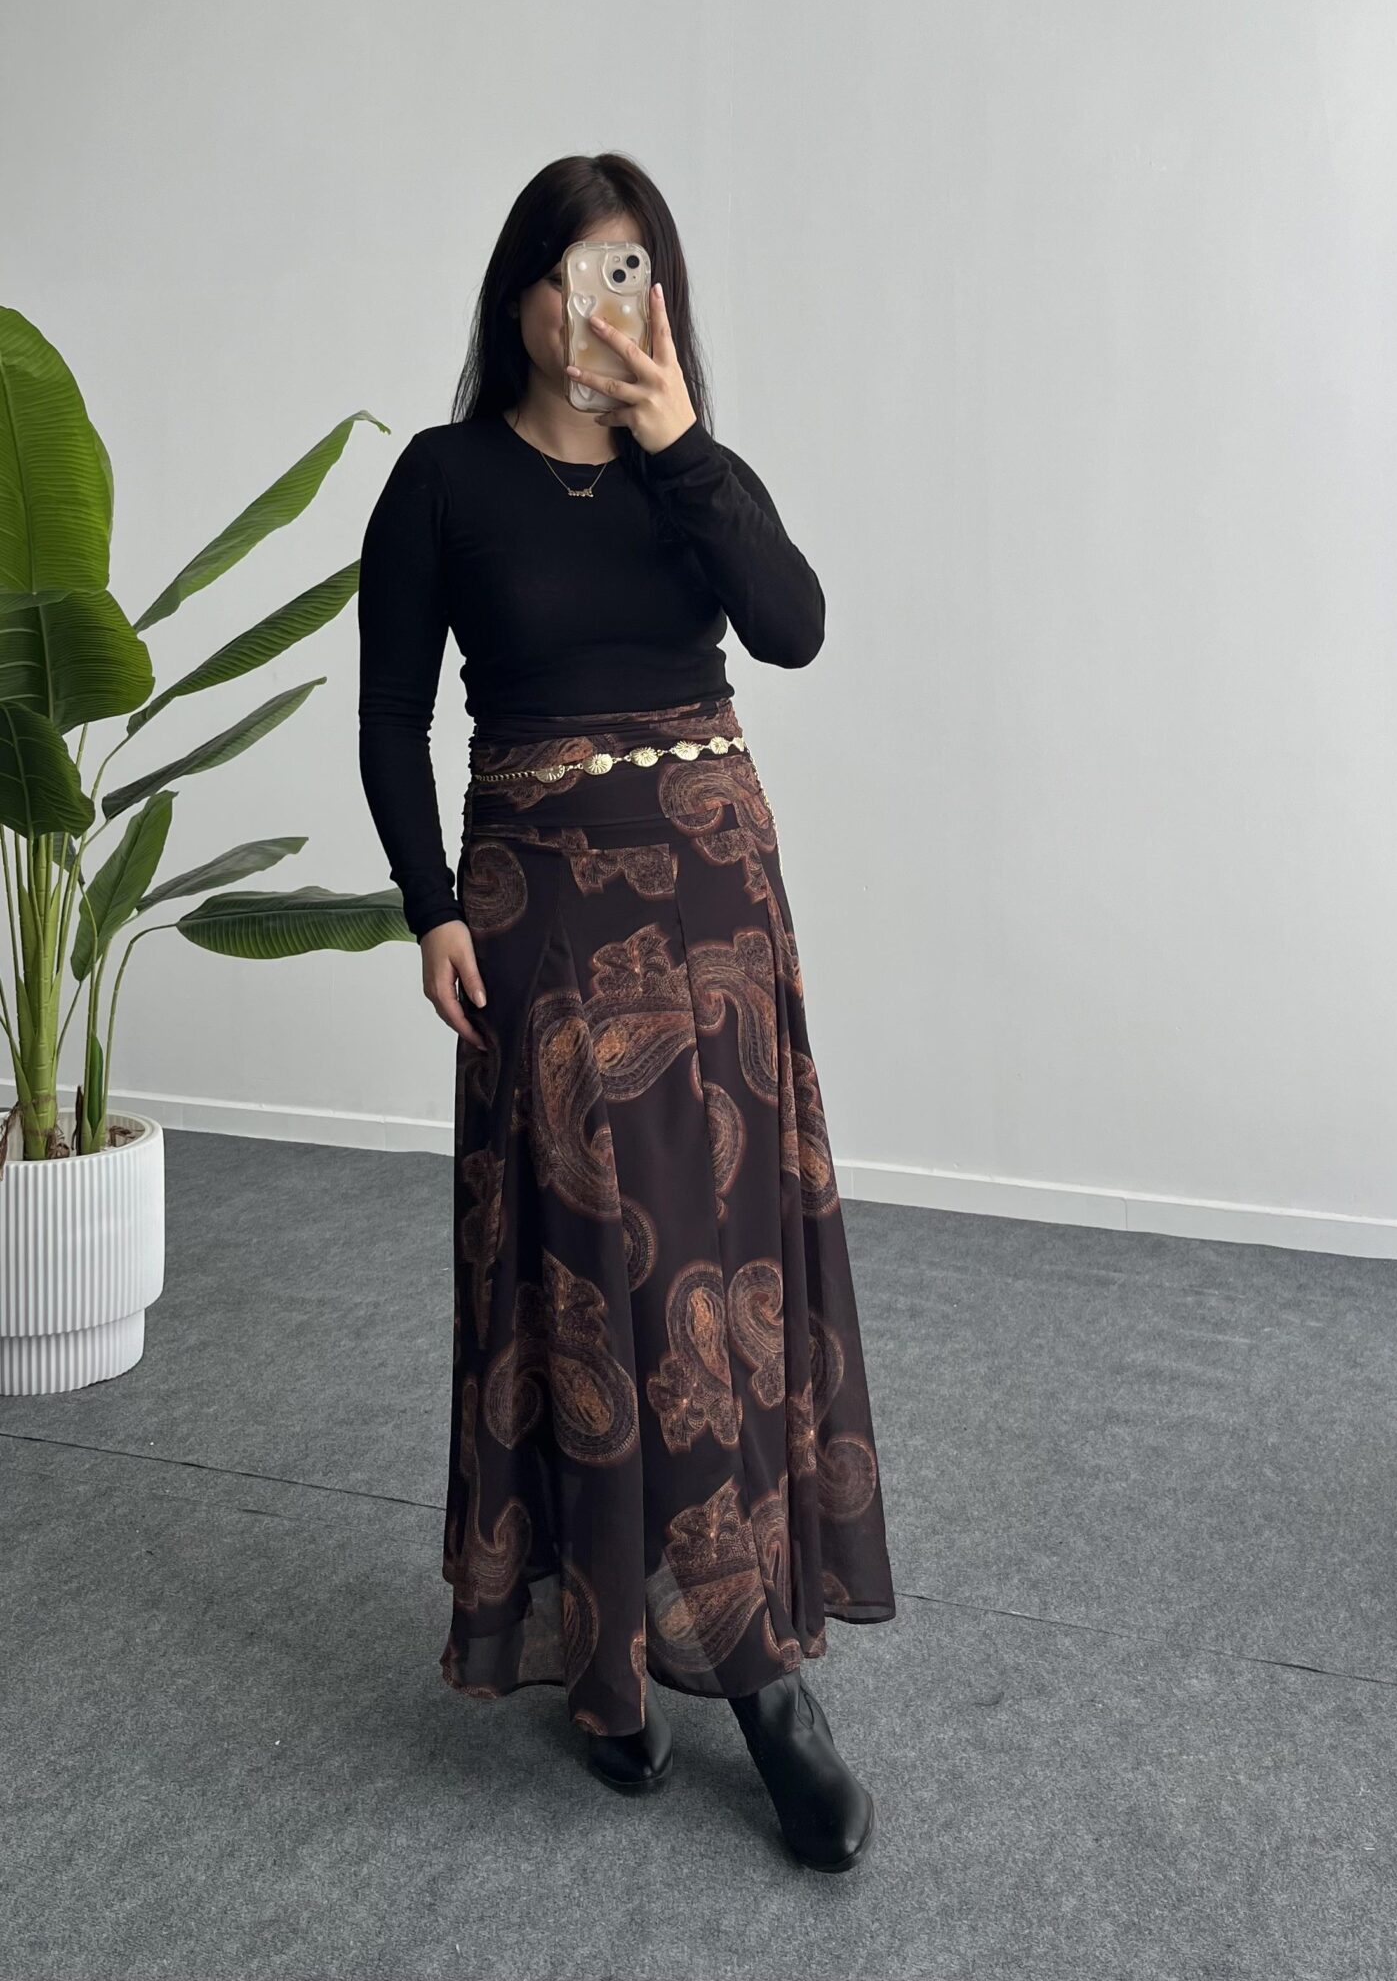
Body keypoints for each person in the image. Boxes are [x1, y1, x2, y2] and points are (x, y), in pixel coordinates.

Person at [357, 151, 895, 1872]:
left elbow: (794, 630)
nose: (606, 305)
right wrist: (431, 907)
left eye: (635, 272)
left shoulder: (691, 471)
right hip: (545, 910)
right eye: (580, 272)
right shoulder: (442, 479)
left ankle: (676, 1659)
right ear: (520, 292)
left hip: (720, 896)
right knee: (616, 1278)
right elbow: (390, 717)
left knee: (728, 1264)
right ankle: (720, 1674)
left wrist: (680, 443)